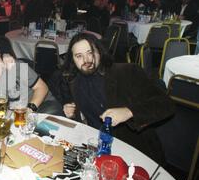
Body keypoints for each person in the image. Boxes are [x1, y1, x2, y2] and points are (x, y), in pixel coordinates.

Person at [60, 33, 175, 163]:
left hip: (134, 153)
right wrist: (72, 111)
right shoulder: (74, 83)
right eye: (79, 56)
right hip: (97, 152)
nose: (86, 59)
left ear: (99, 52)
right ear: (73, 60)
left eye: (90, 52)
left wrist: (128, 111)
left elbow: (166, 104)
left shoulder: (126, 72)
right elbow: (81, 111)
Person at [0, 41, 63, 115]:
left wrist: (29, 110)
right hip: (14, 115)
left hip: (42, 105)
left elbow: (42, 87)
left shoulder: (16, 67)